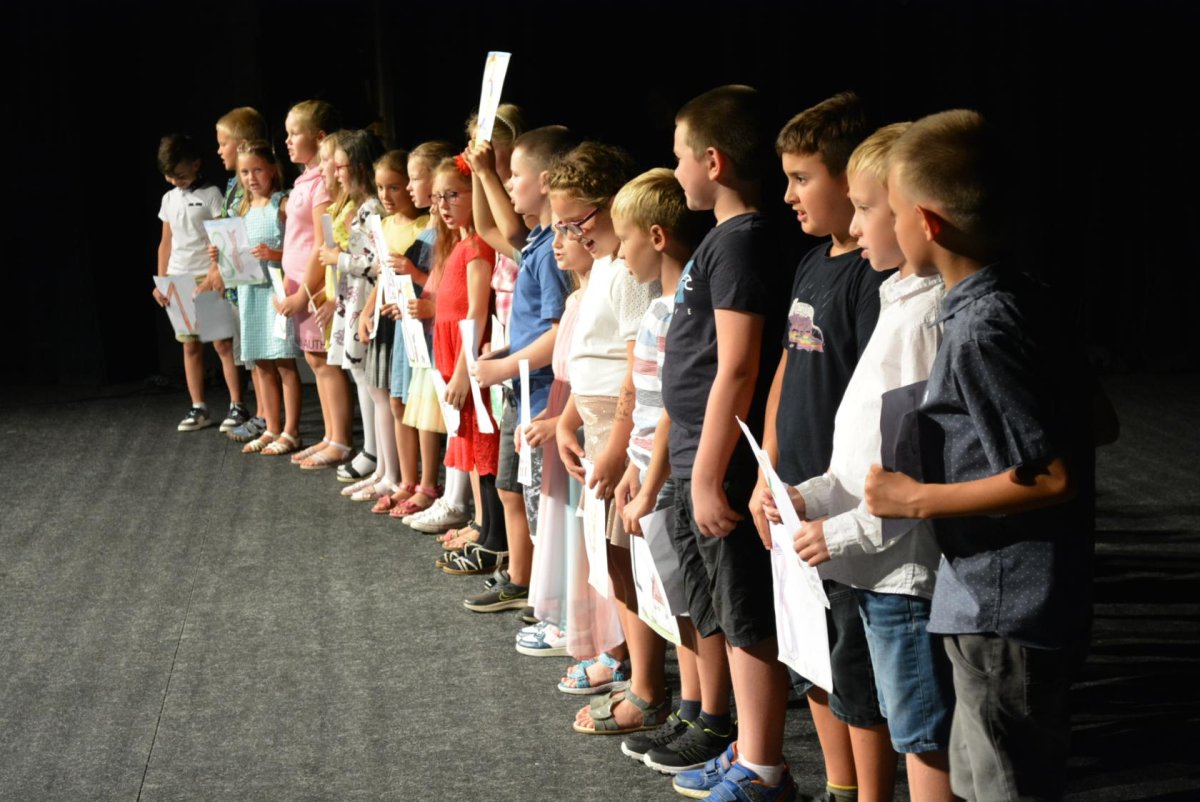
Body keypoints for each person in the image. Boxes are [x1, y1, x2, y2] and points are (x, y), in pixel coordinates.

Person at [865, 109, 1110, 802]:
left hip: (1004, 605)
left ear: (928, 223)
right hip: (1003, 596)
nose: (890, 224)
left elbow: (1051, 476)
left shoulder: (979, 329)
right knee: (984, 779)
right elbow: (1099, 420)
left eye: (893, 211)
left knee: (1005, 783)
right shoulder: (1025, 298)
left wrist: (916, 498)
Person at [763, 123, 955, 801]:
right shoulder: (899, 302)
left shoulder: (926, 317)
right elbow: (861, 451)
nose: (855, 223)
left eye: (869, 208)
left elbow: (913, 475)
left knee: (923, 738)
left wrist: (836, 530)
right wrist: (810, 498)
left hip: (900, 574)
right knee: (903, 723)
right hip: (870, 565)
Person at [658, 85, 780, 794]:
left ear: (713, 160)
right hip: (694, 455)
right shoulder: (722, 239)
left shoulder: (742, 242)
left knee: (745, 611)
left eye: (680, 157)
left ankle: (763, 762)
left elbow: (737, 364)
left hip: (722, 464)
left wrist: (707, 475)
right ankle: (745, 749)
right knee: (723, 611)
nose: (675, 171)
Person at [548, 143, 659, 693]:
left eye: (579, 222)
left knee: (626, 558)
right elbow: (591, 358)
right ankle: (635, 670)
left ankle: (647, 683)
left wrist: (617, 444)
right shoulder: (603, 270)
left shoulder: (627, 273)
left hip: (622, 435)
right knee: (610, 559)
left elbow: (637, 365)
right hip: (598, 431)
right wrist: (566, 419)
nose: (572, 234)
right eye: (562, 226)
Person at [460, 127, 577, 594]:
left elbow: (559, 333)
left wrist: (504, 367)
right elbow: (492, 229)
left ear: (545, 181)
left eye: (514, 176)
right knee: (515, 488)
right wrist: (506, 355)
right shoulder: (538, 242)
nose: (508, 185)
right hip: (523, 385)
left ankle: (542, 590)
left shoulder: (552, 252)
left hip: (541, 391)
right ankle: (523, 579)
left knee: (540, 497)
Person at [271, 101, 343, 467]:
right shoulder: (303, 181)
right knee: (315, 359)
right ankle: (329, 436)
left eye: (295, 133)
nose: (287, 140)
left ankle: (340, 440)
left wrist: (304, 291)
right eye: (287, 133)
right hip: (299, 283)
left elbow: (321, 241)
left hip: (314, 286)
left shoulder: (321, 186)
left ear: (319, 137)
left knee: (325, 361)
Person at [152, 133, 240, 432]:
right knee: (190, 346)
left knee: (221, 343)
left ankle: (237, 404)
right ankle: (198, 407)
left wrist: (215, 273)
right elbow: (166, 242)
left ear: (196, 164)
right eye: (169, 176)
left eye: (180, 174)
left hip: (206, 276)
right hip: (179, 277)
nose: (175, 181)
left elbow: (221, 237)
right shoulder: (168, 199)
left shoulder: (212, 194)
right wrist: (162, 281)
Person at [231, 140, 304, 456]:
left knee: (284, 362)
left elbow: (301, 249)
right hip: (250, 292)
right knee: (261, 363)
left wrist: (274, 253)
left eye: (257, 170)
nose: (251, 178)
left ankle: (291, 431)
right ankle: (272, 426)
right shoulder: (242, 208)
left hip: (275, 290)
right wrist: (222, 255)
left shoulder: (281, 205)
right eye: (245, 172)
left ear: (272, 170)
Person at [213, 107, 269, 441]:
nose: (219, 150)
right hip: (238, 283)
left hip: (254, 282)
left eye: (224, 143)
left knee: (259, 355)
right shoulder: (233, 185)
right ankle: (261, 414)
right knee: (248, 355)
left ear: (243, 143)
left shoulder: (249, 188)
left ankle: (265, 415)